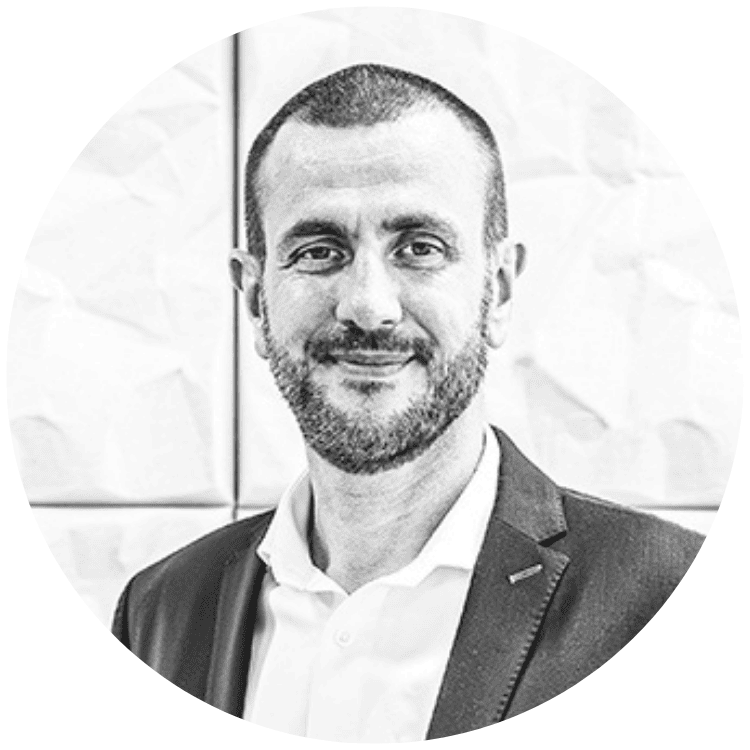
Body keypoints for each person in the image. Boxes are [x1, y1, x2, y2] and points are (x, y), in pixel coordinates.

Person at [112, 64, 703, 742]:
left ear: (499, 290)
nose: (368, 305)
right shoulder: (157, 612)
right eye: (319, 251)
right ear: (253, 298)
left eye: (420, 248)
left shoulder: (675, 603)